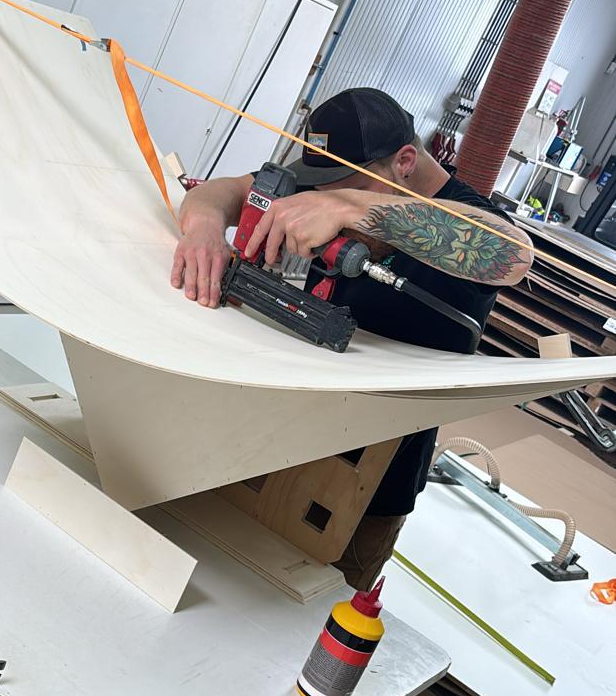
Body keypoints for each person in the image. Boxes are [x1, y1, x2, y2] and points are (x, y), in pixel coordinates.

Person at [171, 87, 533, 589]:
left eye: (344, 184)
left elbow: (512, 254)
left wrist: (348, 207)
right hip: (279, 438)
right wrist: (204, 229)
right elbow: (220, 191)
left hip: (365, 483)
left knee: (315, 609)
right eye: (320, 185)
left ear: (405, 162)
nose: (321, 195)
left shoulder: (466, 219)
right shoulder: (327, 182)